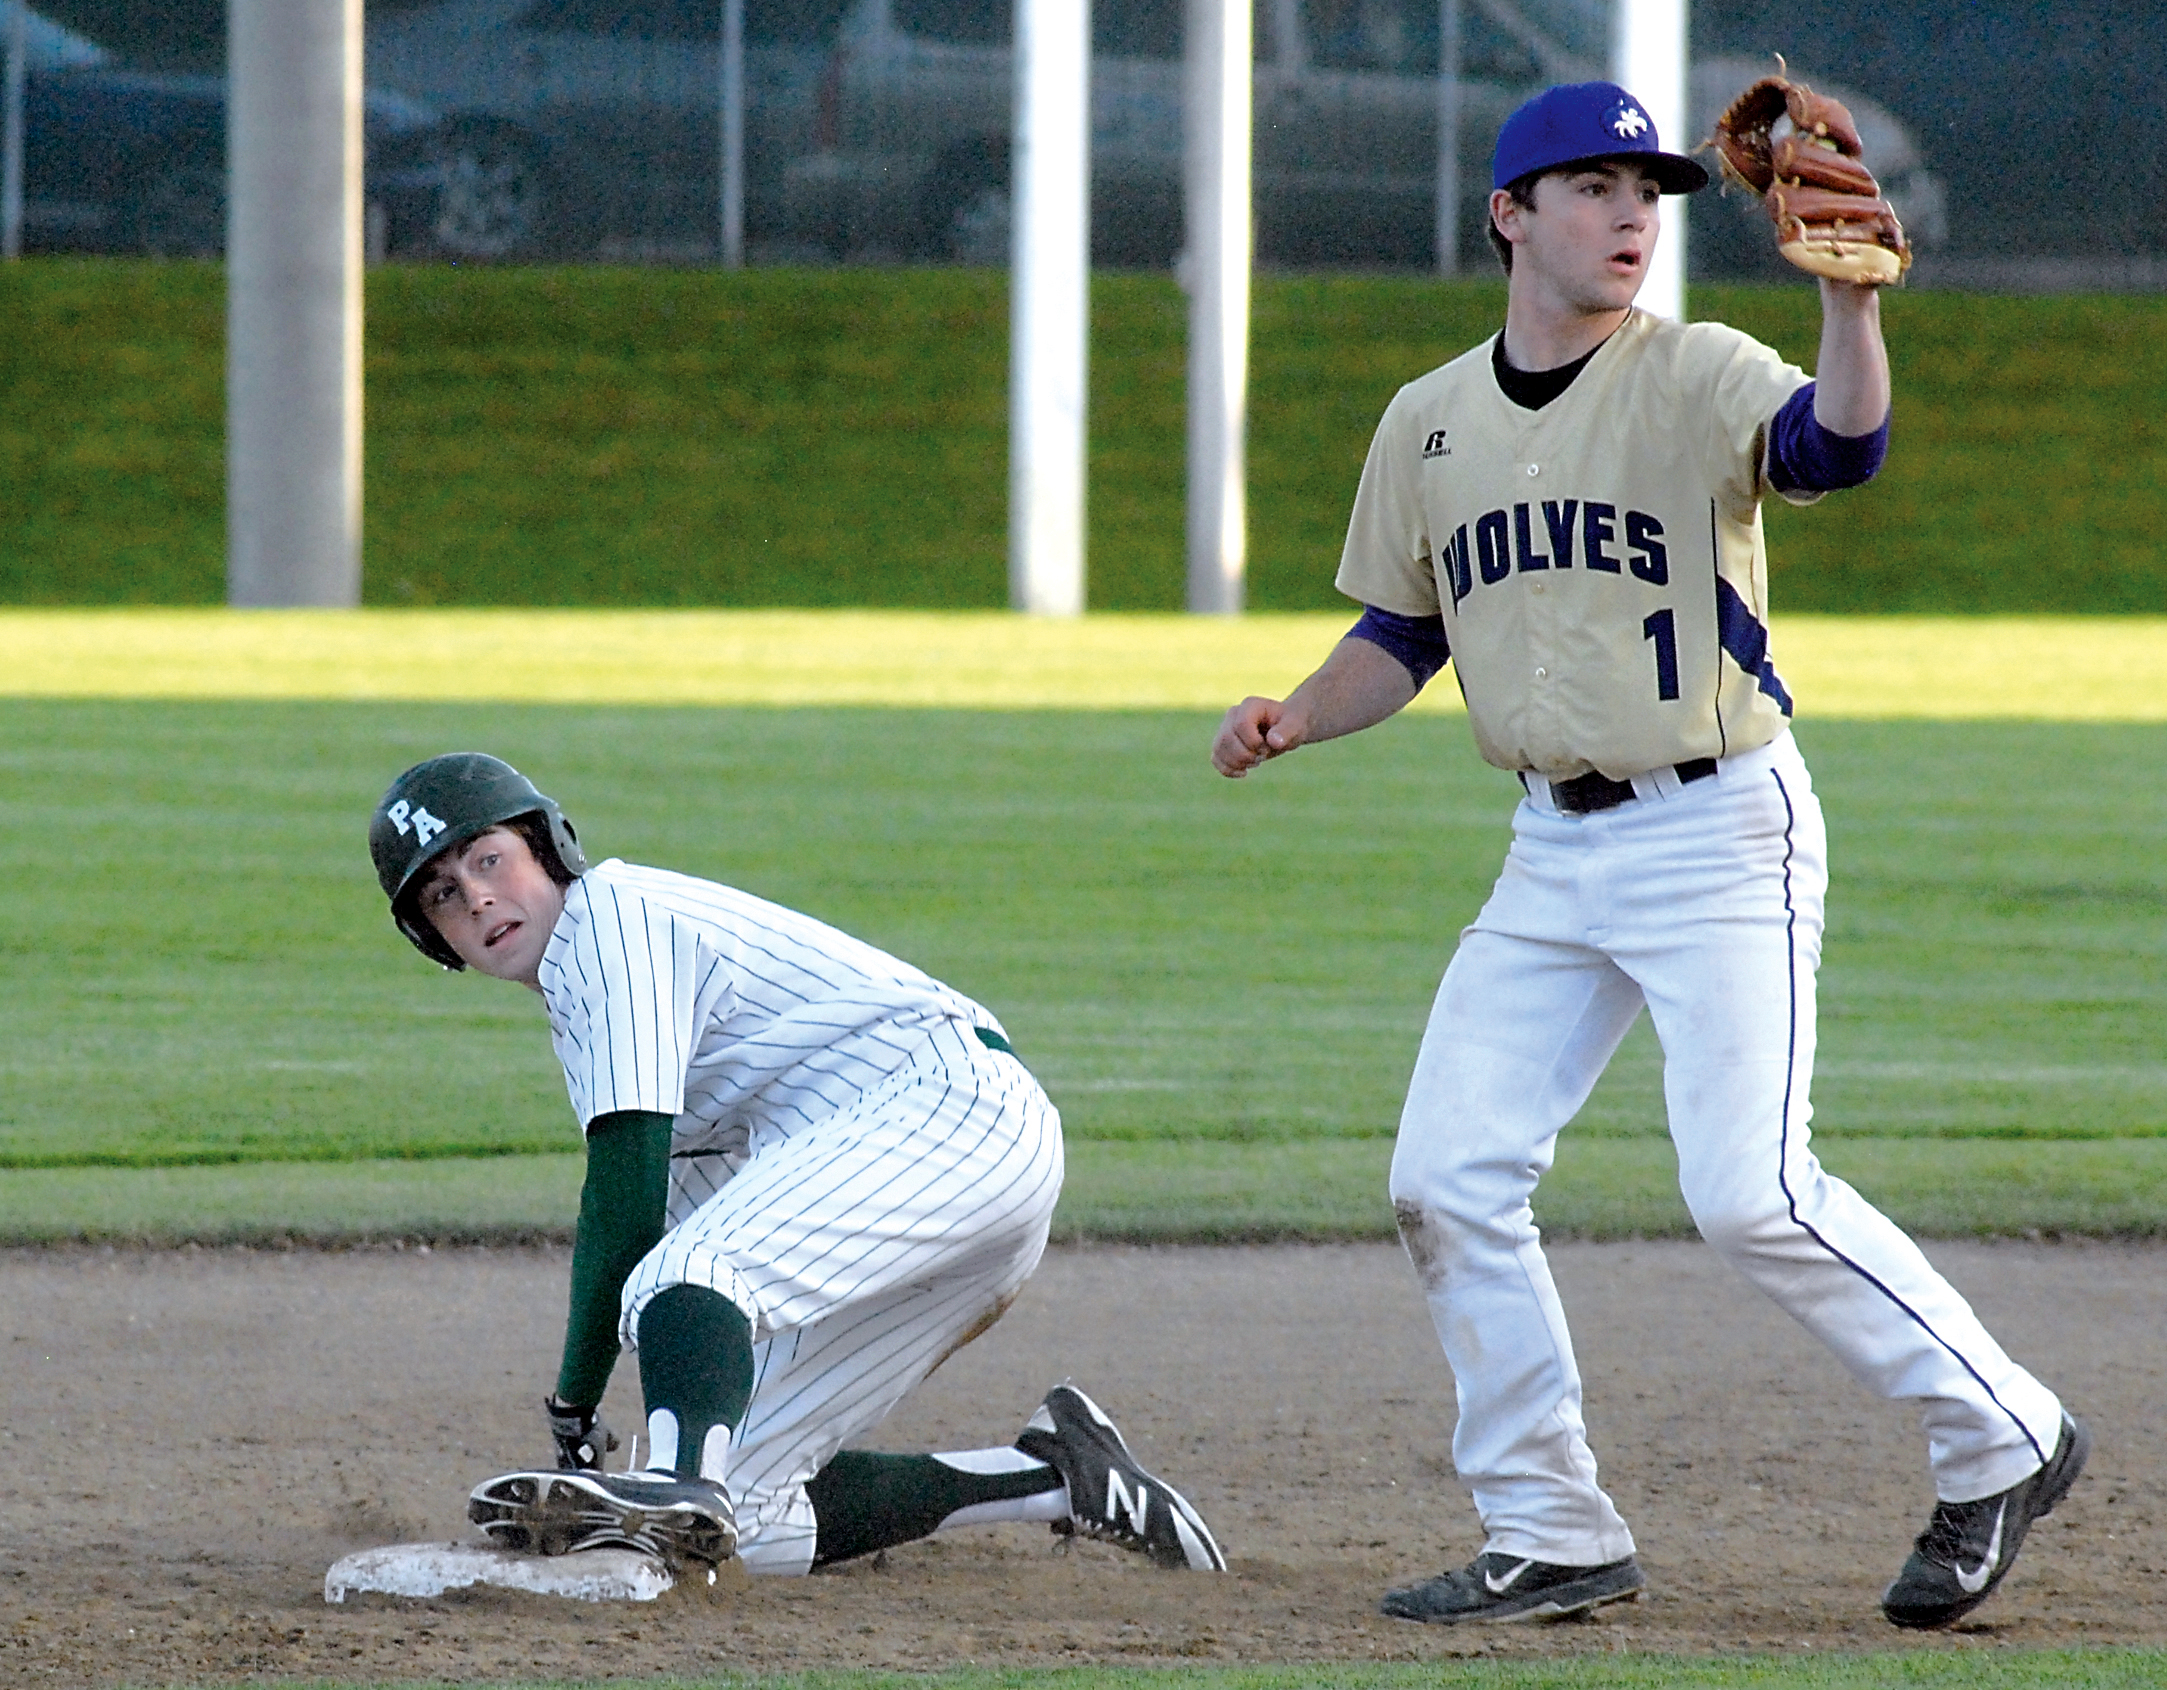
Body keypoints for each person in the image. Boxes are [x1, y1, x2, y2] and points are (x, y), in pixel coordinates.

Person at [1210, 81, 2083, 1630]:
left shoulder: (1697, 371)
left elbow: (1830, 453)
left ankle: (1999, 1432)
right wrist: (1295, 716)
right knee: (1443, 1177)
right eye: (1592, 185)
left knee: (1748, 1191)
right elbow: (1402, 633)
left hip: (1716, 826)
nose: (1629, 216)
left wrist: (1846, 311)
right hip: (1548, 848)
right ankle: (1548, 1525)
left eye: (1646, 191)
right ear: (1508, 214)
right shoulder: (1425, 420)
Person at [367, 752, 1226, 1578]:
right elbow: (680, 1224)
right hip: (942, 1181)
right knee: (748, 1518)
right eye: (444, 893)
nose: (477, 896)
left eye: (489, 859)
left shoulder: (610, 923)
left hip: (949, 1110)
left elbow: (626, 1207)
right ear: (433, 938)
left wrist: (574, 1401)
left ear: (549, 849)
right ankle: (1057, 1474)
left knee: (688, 1276)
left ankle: (675, 1485)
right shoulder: (591, 1006)